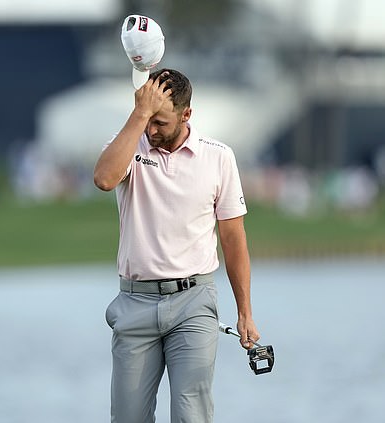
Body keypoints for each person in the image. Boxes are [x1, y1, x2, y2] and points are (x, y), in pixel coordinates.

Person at [93, 68, 261, 423]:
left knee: (190, 415)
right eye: (148, 119)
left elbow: (233, 238)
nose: (152, 129)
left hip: (193, 302)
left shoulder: (219, 157)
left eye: (161, 122)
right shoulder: (130, 144)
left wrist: (244, 311)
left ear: (187, 115)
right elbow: (104, 179)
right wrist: (139, 114)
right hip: (135, 301)